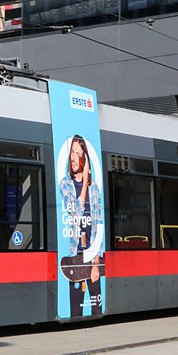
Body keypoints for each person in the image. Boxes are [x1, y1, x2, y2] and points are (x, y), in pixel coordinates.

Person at [60, 134, 104, 317]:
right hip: (75, 256)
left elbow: (98, 224)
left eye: (77, 153)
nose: (72, 157)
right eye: (71, 152)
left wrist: (96, 264)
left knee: (96, 307)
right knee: (75, 309)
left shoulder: (95, 189)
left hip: (92, 254)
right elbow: (77, 213)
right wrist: (85, 182)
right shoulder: (65, 185)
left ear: (85, 159)